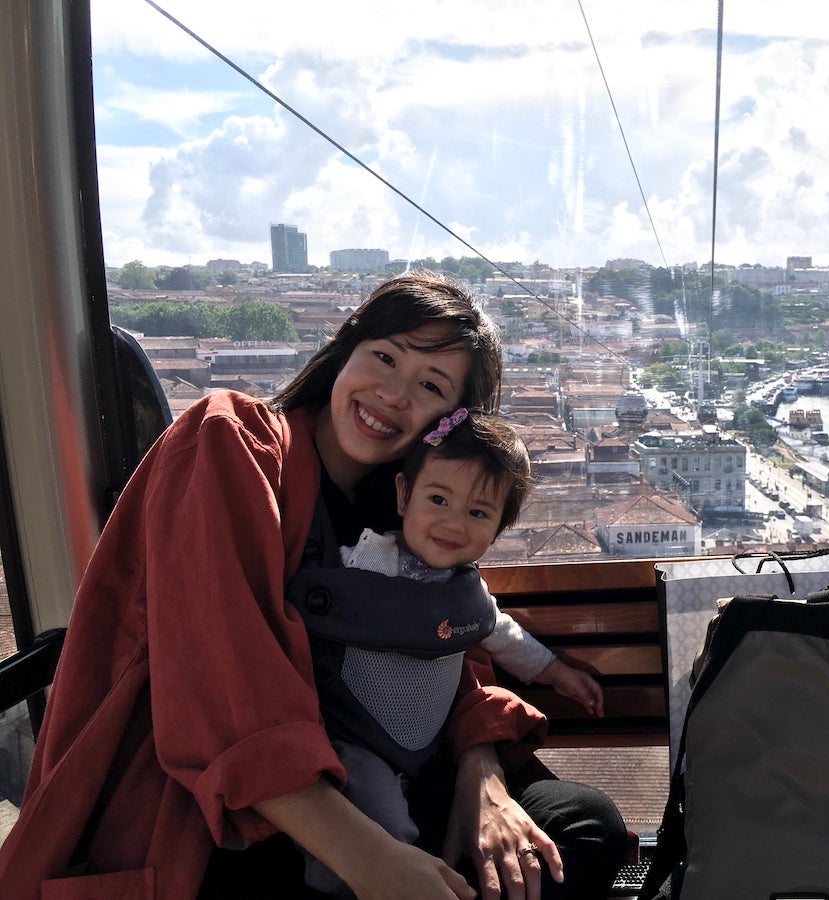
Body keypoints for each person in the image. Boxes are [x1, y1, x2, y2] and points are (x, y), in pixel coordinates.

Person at [0, 273, 628, 900]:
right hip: (238, 809)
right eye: (384, 356)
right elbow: (223, 691)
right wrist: (378, 865)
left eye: (430, 386)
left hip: (399, 781)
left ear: (452, 420)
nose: (391, 394)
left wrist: (481, 775)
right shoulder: (230, 444)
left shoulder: (417, 509)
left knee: (579, 827)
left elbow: (451, 647)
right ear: (344, 348)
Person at [303, 409, 604, 894]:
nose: (452, 523)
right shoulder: (366, 559)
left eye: (477, 513)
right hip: (356, 742)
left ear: (498, 527)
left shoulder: (468, 593)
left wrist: (554, 672)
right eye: (437, 499)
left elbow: (502, 636)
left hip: (430, 752)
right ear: (403, 495)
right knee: (388, 835)